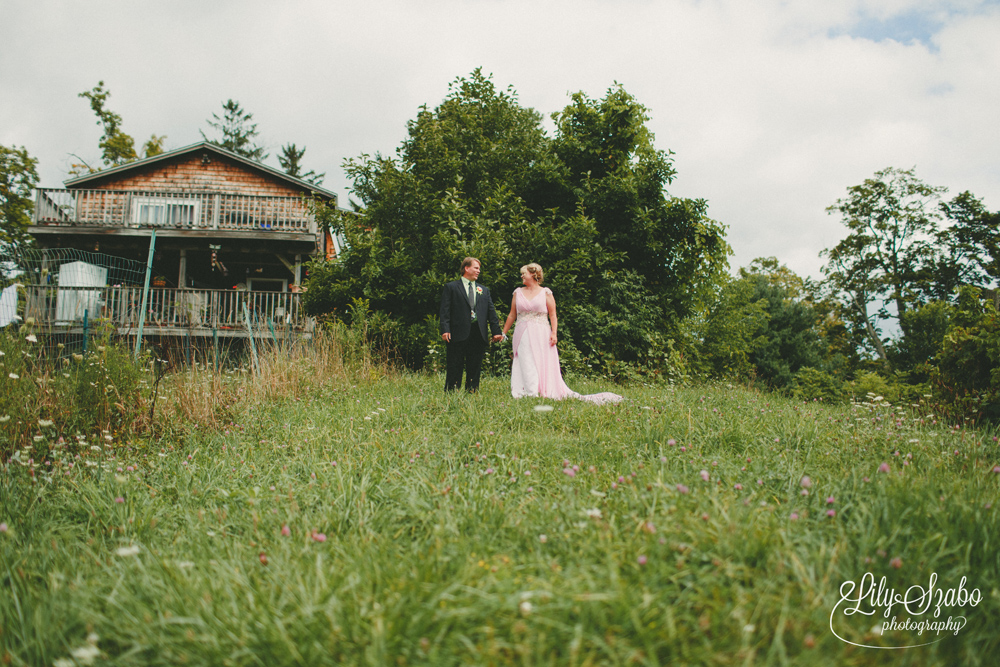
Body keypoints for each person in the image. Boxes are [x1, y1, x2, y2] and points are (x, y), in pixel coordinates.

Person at [501, 263, 622, 404]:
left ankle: (541, 389)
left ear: (533, 275)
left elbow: (553, 315)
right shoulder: (518, 292)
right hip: (522, 332)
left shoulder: (545, 293)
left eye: (524, 273)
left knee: (540, 360)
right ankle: (527, 390)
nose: (521, 275)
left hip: (541, 332)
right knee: (525, 359)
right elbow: (511, 315)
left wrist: (554, 333)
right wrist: (503, 333)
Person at [439, 257, 503, 392]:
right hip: (457, 332)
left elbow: (491, 312)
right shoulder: (451, 287)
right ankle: (452, 392)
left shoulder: (484, 290)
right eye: (476, 268)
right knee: (455, 364)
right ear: (466, 268)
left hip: (478, 332)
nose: (478, 271)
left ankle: (472, 391)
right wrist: (445, 329)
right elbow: (445, 310)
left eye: (479, 269)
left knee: (474, 365)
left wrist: (496, 331)